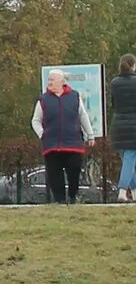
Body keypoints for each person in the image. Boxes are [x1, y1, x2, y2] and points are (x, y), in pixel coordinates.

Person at [33, 70, 90, 202]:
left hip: (73, 143)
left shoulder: (74, 96)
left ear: (62, 82)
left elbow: (83, 115)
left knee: (74, 170)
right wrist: (42, 134)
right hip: (52, 145)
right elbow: (35, 120)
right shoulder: (43, 99)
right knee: (54, 173)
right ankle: (60, 200)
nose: (50, 82)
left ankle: (73, 196)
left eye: (53, 79)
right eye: (49, 80)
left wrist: (90, 134)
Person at [109, 54, 136, 203]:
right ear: (133, 65)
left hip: (118, 125)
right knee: (130, 159)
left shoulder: (114, 83)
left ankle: (134, 192)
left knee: (128, 161)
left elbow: (114, 103)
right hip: (133, 125)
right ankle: (122, 191)